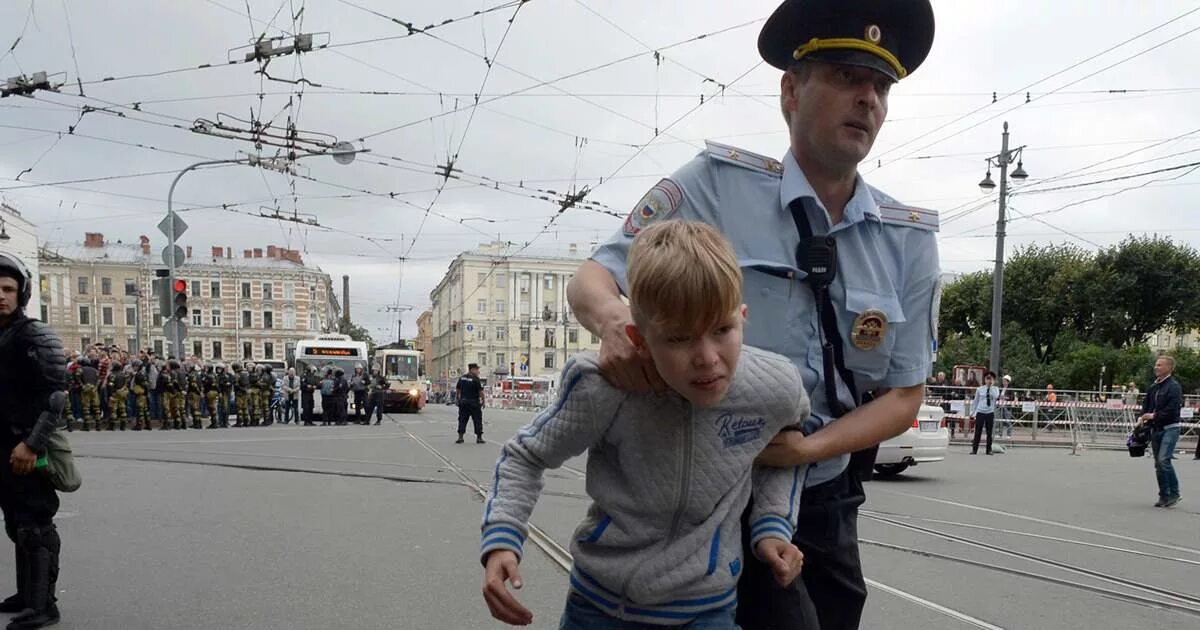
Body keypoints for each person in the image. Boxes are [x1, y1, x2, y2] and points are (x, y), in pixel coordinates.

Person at [566, 2, 938, 627]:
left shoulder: (908, 240)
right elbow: (594, 277)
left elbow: (905, 395)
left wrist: (806, 450)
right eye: (846, 76)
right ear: (791, 91)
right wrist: (615, 329)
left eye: (879, 86)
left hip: (819, 503)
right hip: (694, 496)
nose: (867, 99)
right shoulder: (715, 184)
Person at [480, 222, 807, 628]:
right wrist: (503, 539)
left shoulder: (774, 387)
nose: (707, 358)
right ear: (640, 337)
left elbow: (786, 451)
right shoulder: (604, 389)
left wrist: (774, 526)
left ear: (742, 318)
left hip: (707, 611)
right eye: (678, 339)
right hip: (600, 609)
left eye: (722, 330)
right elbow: (525, 456)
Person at [0, 252, 68, 629]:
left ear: (21, 293)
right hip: (1, 446)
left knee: (34, 524)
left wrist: (33, 443)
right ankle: (26, 593)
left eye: (8, 288)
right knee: (15, 523)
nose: (1, 296)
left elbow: (56, 397)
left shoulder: (36, 334)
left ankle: (44, 605)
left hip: (27, 444)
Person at [1139, 356, 1182, 507]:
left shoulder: (1174, 387)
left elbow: (1172, 409)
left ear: (1169, 368)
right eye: (1156, 365)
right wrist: (1143, 417)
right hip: (1156, 428)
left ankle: (1174, 493)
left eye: (1159, 365)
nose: (1156, 367)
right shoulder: (1153, 387)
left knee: (1164, 459)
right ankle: (1164, 495)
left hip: (1170, 428)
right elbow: (1146, 405)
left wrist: (1153, 415)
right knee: (1158, 463)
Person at [970, 371, 1000, 455]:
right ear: (985, 379)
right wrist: (973, 412)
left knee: (989, 432)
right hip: (980, 412)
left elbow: (995, 396)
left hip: (990, 412)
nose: (989, 380)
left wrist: (990, 387)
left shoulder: (995, 389)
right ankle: (974, 449)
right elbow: (976, 401)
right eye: (987, 378)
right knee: (978, 431)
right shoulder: (980, 389)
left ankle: (988, 449)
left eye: (991, 379)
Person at [455, 363, 486, 444]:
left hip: (463, 402)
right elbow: (480, 391)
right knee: (477, 420)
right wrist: (483, 400)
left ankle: (460, 437)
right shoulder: (476, 379)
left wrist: (458, 399)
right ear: (472, 369)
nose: (478, 371)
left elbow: (458, 390)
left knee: (462, 419)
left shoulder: (461, 378)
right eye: (477, 369)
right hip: (474, 403)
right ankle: (479, 438)